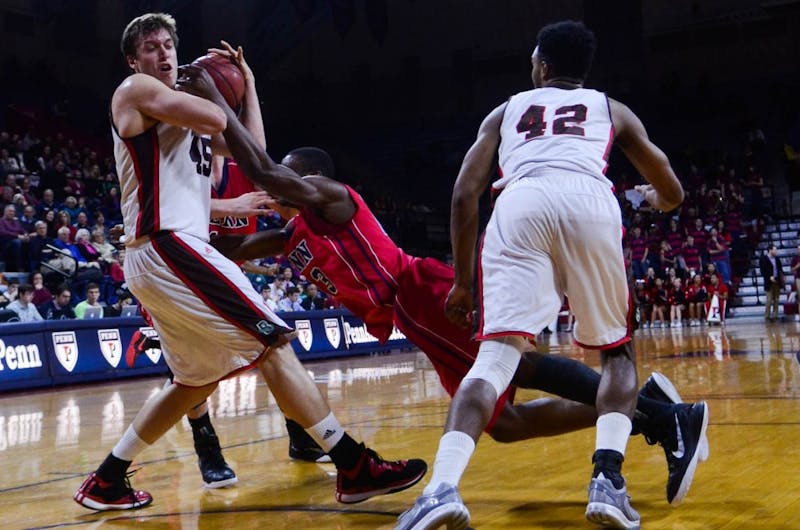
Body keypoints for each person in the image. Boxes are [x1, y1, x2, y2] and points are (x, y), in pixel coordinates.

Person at [181, 48, 708, 514]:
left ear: (313, 178)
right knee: (503, 422)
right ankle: (652, 410)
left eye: (294, 175)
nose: (283, 184)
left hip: (415, 289)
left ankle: (659, 418)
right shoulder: (290, 234)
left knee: (512, 363)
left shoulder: (331, 197)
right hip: (410, 314)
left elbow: (270, 173)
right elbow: (229, 249)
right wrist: (171, 220)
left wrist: (223, 102)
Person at [74, 13, 425, 513]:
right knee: (273, 339)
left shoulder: (182, 116)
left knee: (194, 382)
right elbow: (219, 120)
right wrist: (215, 91)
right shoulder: (134, 91)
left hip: (163, 252)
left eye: (170, 44)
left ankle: (107, 480)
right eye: (152, 47)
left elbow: (250, 147)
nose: (165, 54)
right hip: (171, 247)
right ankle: (353, 465)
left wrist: (250, 86)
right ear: (133, 60)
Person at [395, 21, 699, 530]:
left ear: (542, 65)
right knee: (616, 353)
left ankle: (441, 489)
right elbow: (670, 186)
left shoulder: (506, 109)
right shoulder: (612, 108)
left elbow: (464, 195)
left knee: (494, 359)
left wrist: (464, 282)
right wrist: (656, 200)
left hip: (520, 203)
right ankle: (607, 481)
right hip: (588, 201)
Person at [759, 243, 784, 322]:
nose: (776, 251)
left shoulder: (777, 259)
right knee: (769, 299)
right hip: (768, 282)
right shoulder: (763, 259)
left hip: (777, 280)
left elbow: (780, 268)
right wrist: (769, 277)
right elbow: (763, 271)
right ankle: (767, 316)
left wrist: (782, 276)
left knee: (776, 299)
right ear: (770, 250)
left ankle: (775, 316)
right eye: (774, 250)